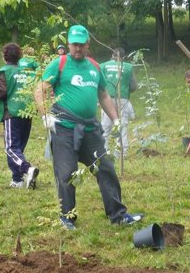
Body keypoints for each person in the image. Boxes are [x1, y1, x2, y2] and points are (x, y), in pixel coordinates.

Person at [35, 24, 143, 230]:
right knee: (67, 173)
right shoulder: (59, 64)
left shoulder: (94, 66)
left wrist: (116, 119)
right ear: (69, 44)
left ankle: (118, 215)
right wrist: (45, 115)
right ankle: (67, 218)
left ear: (87, 45)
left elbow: (103, 94)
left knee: (106, 168)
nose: (77, 49)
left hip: (90, 129)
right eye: (74, 44)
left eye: (81, 45)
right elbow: (40, 90)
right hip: (64, 129)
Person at [0, 43, 39, 189]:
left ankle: (27, 169)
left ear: (4, 56)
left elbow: (1, 92)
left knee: (11, 148)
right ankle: (17, 180)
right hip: (27, 112)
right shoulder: (27, 71)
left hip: (12, 112)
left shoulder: (5, 71)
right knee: (19, 148)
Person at [100, 48, 138, 155]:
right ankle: (122, 153)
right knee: (122, 125)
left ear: (112, 55)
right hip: (122, 99)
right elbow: (134, 86)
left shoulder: (103, 66)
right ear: (124, 57)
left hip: (106, 98)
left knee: (106, 126)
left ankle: (104, 152)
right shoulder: (128, 67)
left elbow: (99, 83)